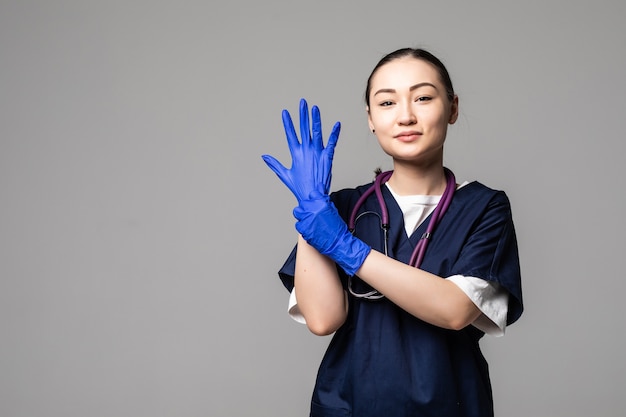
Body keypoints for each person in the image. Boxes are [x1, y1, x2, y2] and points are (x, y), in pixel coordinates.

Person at [262, 47, 523, 417]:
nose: (405, 116)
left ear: (452, 108)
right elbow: (323, 319)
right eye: (386, 103)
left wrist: (345, 247)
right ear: (370, 118)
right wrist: (310, 207)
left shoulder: (484, 207)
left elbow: (454, 310)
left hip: (450, 404)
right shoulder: (336, 209)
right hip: (349, 404)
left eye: (423, 97)